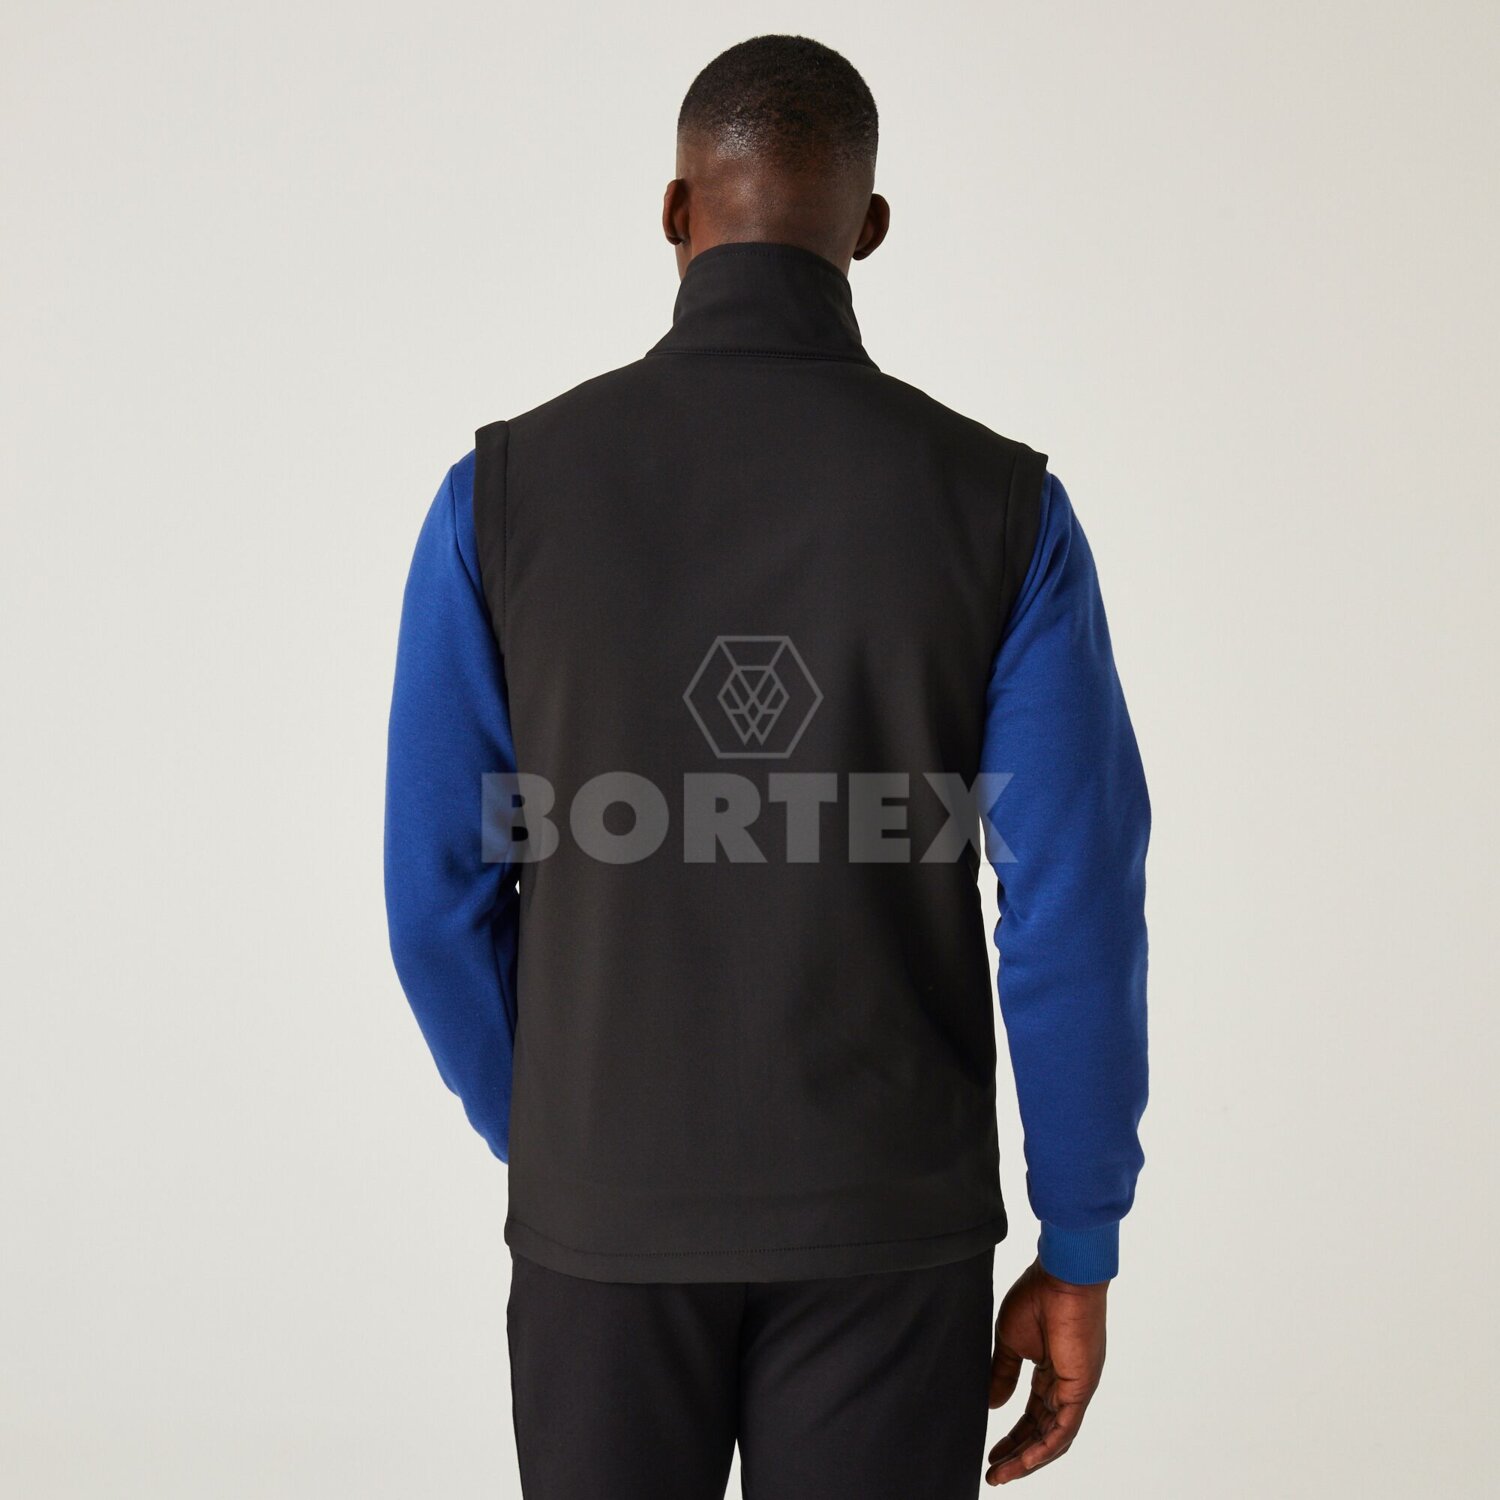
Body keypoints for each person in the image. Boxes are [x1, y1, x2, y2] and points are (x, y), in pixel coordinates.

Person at [385, 34, 1149, 1500]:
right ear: (869, 228)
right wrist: (1081, 1238)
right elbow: (1075, 904)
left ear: (675, 213)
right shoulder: (1004, 508)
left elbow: (436, 900)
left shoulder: (498, 498)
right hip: (888, 1226)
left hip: (604, 1223)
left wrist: (559, 1136)